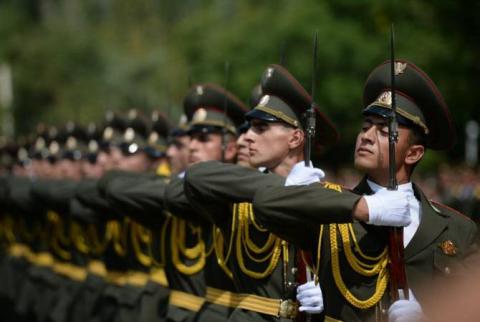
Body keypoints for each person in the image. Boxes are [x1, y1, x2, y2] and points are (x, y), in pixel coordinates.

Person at [252, 60, 478, 322]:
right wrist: (365, 207)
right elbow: (266, 203)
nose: (367, 135)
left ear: (414, 153)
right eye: (365, 126)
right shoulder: (330, 208)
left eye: (384, 131)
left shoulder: (459, 229)